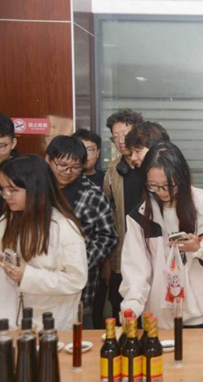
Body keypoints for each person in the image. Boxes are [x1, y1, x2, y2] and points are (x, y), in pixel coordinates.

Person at [119, 142, 203, 328]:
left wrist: (200, 248)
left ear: (182, 178)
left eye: (169, 185)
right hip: (161, 318)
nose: (162, 192)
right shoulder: (140, 217)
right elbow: (136, 270)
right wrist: (131, 307)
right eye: (154, 186)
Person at [0, 155, 87, 330]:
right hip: (11, 320)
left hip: (51, 322)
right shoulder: (6, 221)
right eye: (3, 189)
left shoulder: (63, 227)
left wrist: (27, 276)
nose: (6, 196)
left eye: (13, 190)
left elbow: (76, 279)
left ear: (35, 189)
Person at [45, 136, 117, 329]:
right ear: (48, 159)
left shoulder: (93, 196)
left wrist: (81, 262)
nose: (67, 172)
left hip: (80, 292)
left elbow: (107, 237)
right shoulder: (36, 192)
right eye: (62, 165)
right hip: (39, 289)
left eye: (75, 167)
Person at [103, 108, 144, 322]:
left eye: (125, 135)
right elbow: (108, 215)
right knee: (123, 313)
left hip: (150, 251)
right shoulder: (113, 170)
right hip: (123, 253)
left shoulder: (153, 166)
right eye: (115, 136)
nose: (120, 141)